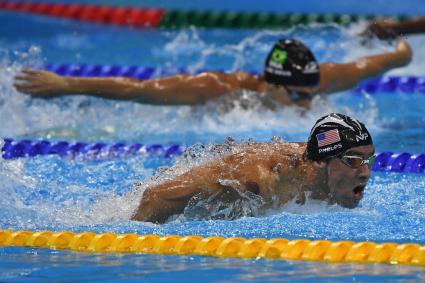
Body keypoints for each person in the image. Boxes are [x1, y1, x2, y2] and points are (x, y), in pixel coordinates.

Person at [14, 38, 412, 109]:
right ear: (270, 84)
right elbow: (138, 89)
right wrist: (67, 84)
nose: (307, 102)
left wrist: (399, 46)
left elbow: (382, 62)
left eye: (311, 94)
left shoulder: (324, 78)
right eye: (296, 96)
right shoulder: (215, 88)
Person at [132, 113, 375, 223]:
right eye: (353, 161)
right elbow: (155, 196)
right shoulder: (259, 180)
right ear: (322, 163)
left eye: (368, 160)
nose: (365, 173)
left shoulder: (326, 174)